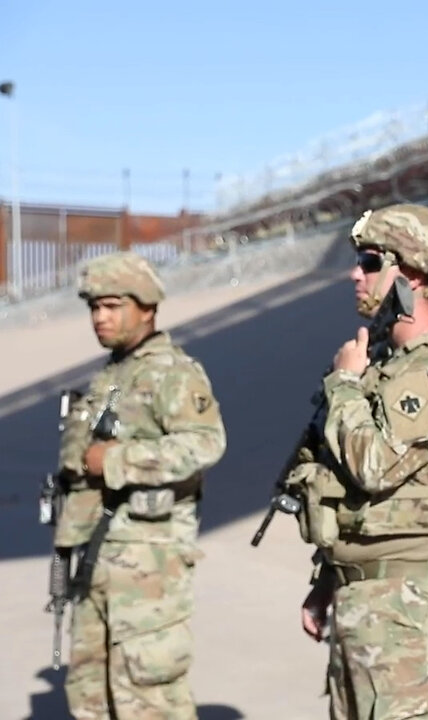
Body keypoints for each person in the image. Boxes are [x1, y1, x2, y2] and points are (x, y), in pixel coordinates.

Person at [285, 203, 428, 720]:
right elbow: (359, 494)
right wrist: (327, 581)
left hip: (407, 612)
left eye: (368, 261)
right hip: (364, 602)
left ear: (414, 271)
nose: (354, 275)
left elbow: (373, 466)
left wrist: (343, 386)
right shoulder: (388, 366)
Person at [57, 251, 227, 719]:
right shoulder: (111, 376)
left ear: (147, 307)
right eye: (94, 307)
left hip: (148, 567)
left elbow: (205, 443)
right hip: (95, 557)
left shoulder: (173, 371)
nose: (100, 317)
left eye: (112, 306)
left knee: (148, 699)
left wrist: (116, 460)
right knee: (90, 692)